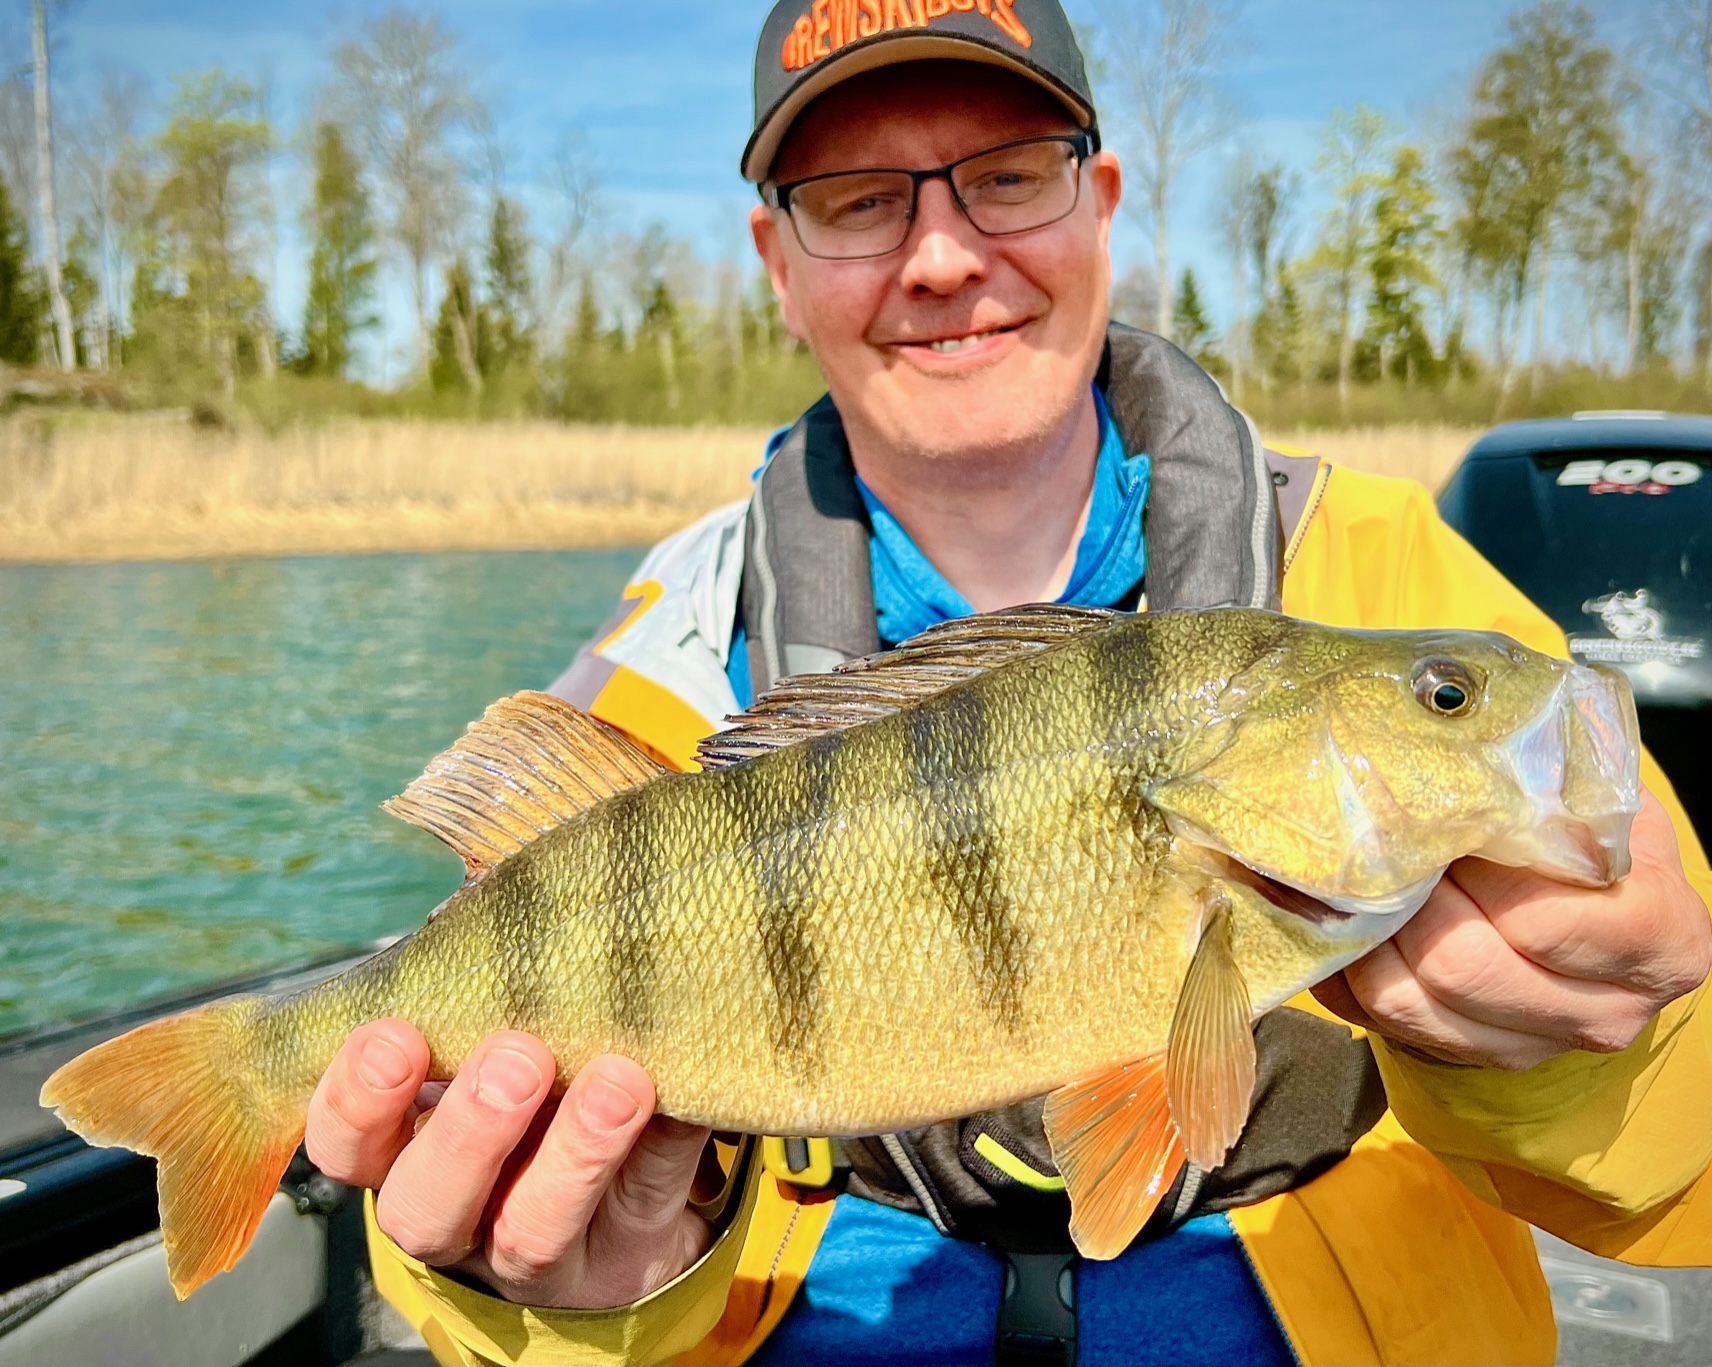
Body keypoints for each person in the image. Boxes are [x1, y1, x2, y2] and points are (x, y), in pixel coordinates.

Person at [304, 5, 1712, 1363]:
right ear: (776, 260)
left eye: (1007, 177)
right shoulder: (660, 673)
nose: (940, 256)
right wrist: (558, 1299)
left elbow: (1686, 1172)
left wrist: (1587, 1062)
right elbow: (430, 1201)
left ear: (1098, 201)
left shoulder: (1391, 585)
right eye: (859, 200)